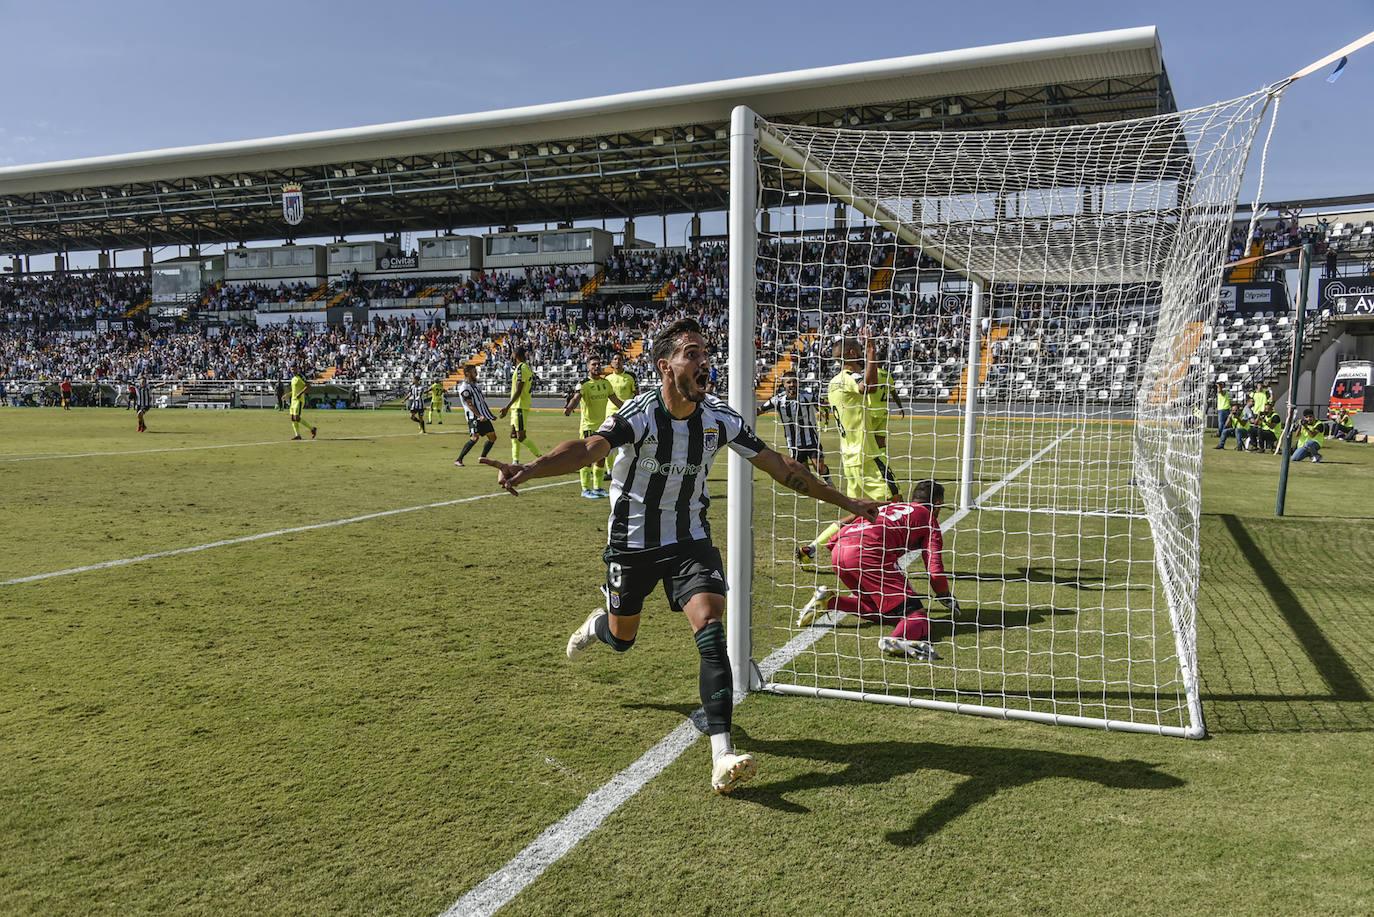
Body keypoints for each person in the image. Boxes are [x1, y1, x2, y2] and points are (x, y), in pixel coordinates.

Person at [480, 317, 880, 795]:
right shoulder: (641, 413)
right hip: (632, 544)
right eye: (691, 353)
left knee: (711, 630)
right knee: (622, 637)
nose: (703, 362)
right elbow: (588, 449)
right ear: (665, 367)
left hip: (690, 540)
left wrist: (849, 504)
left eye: (705, 353)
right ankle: (598, 626)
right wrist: (531, 467)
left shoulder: (719, 418)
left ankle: (722, 755)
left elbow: (781, 466)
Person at [797, 479, 958, 660]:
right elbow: (934, 569)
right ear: (937, 505)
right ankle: (896, 640)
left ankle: (830, 601)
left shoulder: (891, 506)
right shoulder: (928, 520)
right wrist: (944, 595)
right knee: (917, 616)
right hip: (868, 553)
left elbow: (842, 529)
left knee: (880, 610)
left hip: (840, 550)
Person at [797, 333, 886, 565]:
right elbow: (870, 387)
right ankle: (877, 558)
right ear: (853, 354)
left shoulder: (833, 382)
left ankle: (816, 546)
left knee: (858, 511)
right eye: (859, 348)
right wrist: (872, 353)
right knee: (894, 505)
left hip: (850, 456)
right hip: (865, 455)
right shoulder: (849, 376)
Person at [758, 369, 832, 485]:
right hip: (794, 443)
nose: (792, 384)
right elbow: (760, 410)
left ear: (798, 383)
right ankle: (821, 492)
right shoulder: (777, 400)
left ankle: (829, 482)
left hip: (811, 439)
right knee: (805, 473)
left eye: (794, 381)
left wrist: (828, 407)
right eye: (788, 382)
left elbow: (826, 403)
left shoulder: (808, 397)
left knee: (819, 467)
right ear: (783, 384)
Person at [563, 355, 623, 498]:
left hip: (602, 427)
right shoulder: (584, 383)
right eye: (593, 364)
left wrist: (629, 409)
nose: (596, 367)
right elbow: (576, 397)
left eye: (598, 364)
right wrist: (570, 408)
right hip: (588, 427)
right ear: (588, 367)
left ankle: (598, 487)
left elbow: (615, 400)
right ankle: (585, 489)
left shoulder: (605, 383)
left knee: (601, 457)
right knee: (586, 458)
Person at [866, 361, 906, 497]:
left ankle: (873, 473)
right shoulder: (887, 375)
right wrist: (900, 407)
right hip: (883, 412)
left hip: (871, 413)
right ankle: (886, 471)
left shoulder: (870, 373)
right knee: (881, 446)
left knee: (867, 445)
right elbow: (894, 393)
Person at [499, 345, 543, 462]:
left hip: (519, 406)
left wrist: (506, 407)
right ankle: (515, 461)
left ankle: (541, 458)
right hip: (517, 407)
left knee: (521, 437)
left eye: (512, 355)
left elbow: (519, 390)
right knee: (513, 435)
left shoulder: (521, 369)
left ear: (515, 355)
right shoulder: (526, 368)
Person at [454, 363, 498, 466]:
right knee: (474, 437)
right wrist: (479, 416)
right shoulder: (464, 387)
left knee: (492, 437)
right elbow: (470, 404)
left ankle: (483, 457)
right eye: (474, 372)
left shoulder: (476, 386)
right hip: (473, 416)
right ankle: (459, 460)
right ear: (467, 374)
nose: (476, 374)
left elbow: (482, 402)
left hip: (482, 416)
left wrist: (489, 415)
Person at [287, 369, 316, 440]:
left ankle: (312, 428)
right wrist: (287, 395)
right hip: (293, 400)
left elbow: (308, 386)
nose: (293, 370)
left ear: (297, 369)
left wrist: (300, 394)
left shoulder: (301, 376)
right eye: (292, 369)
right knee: (292, 418)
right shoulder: (293, 378)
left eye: (294, 368)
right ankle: (297, 435)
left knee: (296, 418)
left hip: (299, 400)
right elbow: (294, 391)